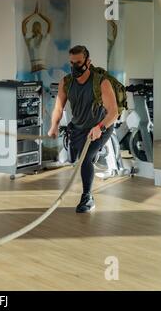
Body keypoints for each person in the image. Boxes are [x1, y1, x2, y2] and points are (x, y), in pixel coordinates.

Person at [48, 45, 118, 213]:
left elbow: (113, 113)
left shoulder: (101, 82)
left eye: (78, 62)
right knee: (76, 159)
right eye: (71, 63)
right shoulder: (66, 82)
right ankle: (92, 156)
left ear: (88, 61)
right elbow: (58, 108)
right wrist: (54, 127)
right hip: (78, 128)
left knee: (85, 159)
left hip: (100, 126)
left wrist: (100, 127)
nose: (74, 67)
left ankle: (87, 198)